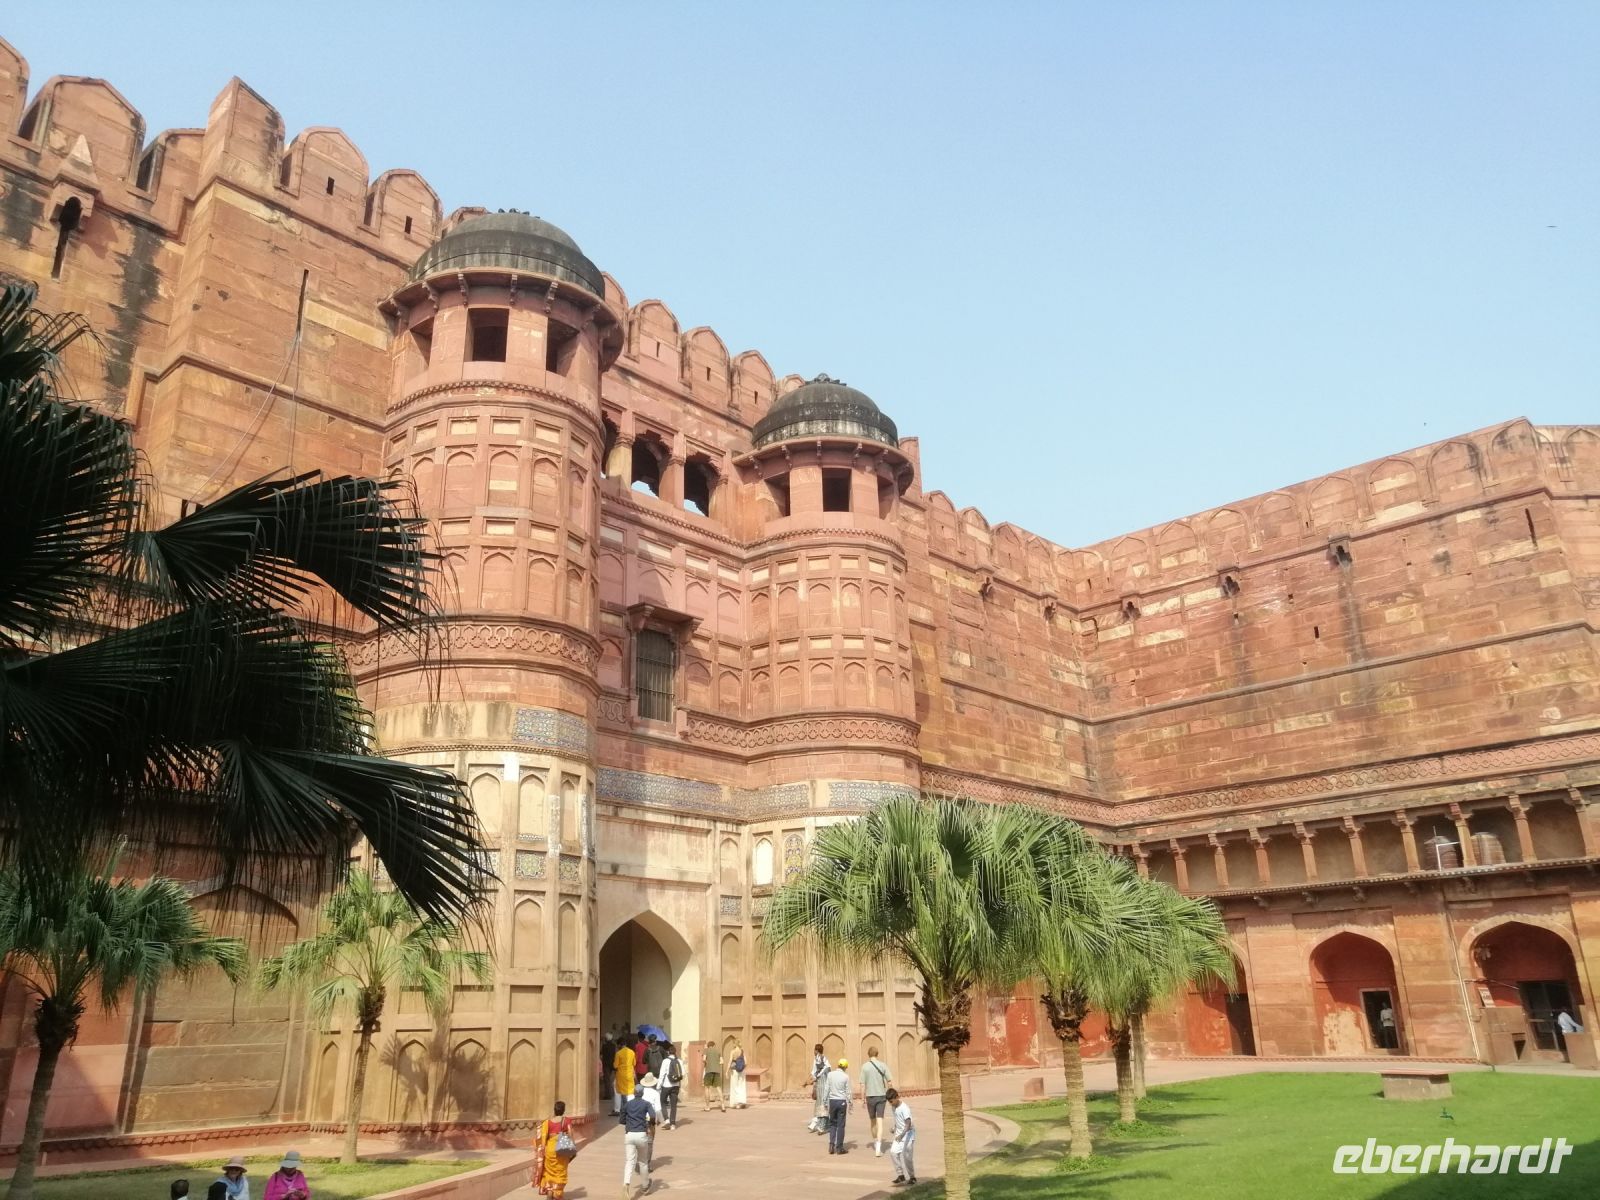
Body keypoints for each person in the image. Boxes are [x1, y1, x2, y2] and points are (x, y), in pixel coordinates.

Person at [532, 1099, 576, 1198]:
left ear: (554, 1110)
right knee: (560, 1172)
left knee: (549, 1171)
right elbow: (571, 1134)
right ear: (563, 1110)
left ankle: (550, 1190)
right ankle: (557, 1193)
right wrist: (573, 1147)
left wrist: (542, 1151)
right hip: (561, 1149)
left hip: (550, 1149)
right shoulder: (567, 1121)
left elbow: (543, 1138)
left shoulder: (547, 1122)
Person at [619, 1084, 656, 1197]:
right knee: (643, 1162)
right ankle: (645, 1186)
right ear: (642, 1093)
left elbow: (621, 1119)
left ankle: (626, 1184)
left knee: (629, 1161)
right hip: (641, 1134)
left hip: (629, 1134)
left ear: (634, 1093)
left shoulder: (628, 1104)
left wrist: (629, 1123)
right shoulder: (646, 1104)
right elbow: (653, 1115)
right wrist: (650, 1123)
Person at [860, 1047, 893, 1155]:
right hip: (881, 1096)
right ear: (877, 1054)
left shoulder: (865, 1067)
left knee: (873, 1121)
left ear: (868, 1054)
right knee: (880, 1121)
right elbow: (890, 1082)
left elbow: (862, 1085)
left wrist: (862, 1099)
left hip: (870, 1096)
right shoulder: (882, 1065)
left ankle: (875, 1141)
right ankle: (878, 1148)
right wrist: (890, 1094)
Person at [886, 1087, 917, 1186]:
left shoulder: (904, 1108)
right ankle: (901, 1175)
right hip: (899, 1134)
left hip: (908, 1135)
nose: (890, 1104)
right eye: (889, 1102)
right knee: (893, 1152)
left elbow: (908, 1123)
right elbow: (898, 1120)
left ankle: (912, 1177)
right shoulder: (893, 1107)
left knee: (907, 1157)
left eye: (891, 1101)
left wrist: (902, 1135)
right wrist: (894, 1128)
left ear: (897, 1097)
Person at [825, 1057, 852, 1155]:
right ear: (845, 1067)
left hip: (832, 1101)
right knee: (841, 1125)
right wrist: (850, 1102)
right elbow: (848, 1091)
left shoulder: (830, 1075)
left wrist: (824, 1101)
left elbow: (826, 1088)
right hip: (841, 1102)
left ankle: (831, 1145)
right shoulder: (845, 1077)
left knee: (832, 1124)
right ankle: (839, 1147)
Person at [658, 1042, 684, 1129]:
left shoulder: (665, 1061)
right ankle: (673, 1124)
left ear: (668, 1052)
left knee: (662, 1102)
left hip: (666, 1085)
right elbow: (682, 1073)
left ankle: (666, 1119)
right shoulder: (679, 1061)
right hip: (676, 1085)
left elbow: (661, 1074)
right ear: (675, 1052)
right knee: (673, 1105)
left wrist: (658, 1085)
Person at [807, 1044, 829, 1134]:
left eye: (814, 1050)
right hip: (820, 1084)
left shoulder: (820, 1059)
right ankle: (817, 1124)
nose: (813, 1052)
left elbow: (817, 1072)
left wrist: (809, 1081)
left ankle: (821, 1126)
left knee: (822, 1105)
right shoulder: (820, 1059)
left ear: (816, 1050)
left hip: (823, 1084)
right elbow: (814, 1072)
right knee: (820, 1104)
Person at [612, 1038, 637, 1115]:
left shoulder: (618, 1053)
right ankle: (632, 1109)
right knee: (630, 1091)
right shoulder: (632, 1052)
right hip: (629, 1074)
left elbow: (615, 1066)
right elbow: (634, 1063)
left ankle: (617, 1110)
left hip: (620, 1075)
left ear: (619, 1045)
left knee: (617, 1091)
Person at [702, 1039, 725, 1111]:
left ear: (708, 1046)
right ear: (714, 1045)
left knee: (707, 1088)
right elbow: (722, 1062)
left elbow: (703, 1059)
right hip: (717, 1071)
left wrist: (707, 1063)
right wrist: (716, 1063)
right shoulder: (718, 1051)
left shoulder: (706, 1050)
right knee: (718, 1088)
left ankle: (707, 1106)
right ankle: (723, 1106)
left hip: (708, 1071)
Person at [727, 1039, 747, 1109]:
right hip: (741, 1071)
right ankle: (741, 1102)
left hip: (734, 1070)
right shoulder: (742, 1051)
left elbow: (730, 1061)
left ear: (735, 1044)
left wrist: (727, 1071)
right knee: (741, 1086)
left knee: (734, 1086)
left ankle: (735, 1103)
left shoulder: (733, 1051)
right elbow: (746, 1062)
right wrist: (742, 1068)